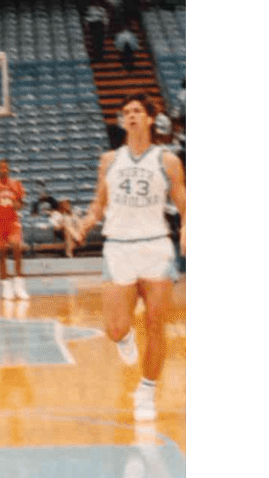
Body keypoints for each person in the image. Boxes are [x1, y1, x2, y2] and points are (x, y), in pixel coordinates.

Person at [75, 92, 187, 422]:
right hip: (119, 247)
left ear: (151, 118)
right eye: (126, 112)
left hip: (155, 246)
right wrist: (84, 223)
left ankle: (147, 391)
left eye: (137, 110)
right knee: (115, 328)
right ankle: (124, 341)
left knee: (156, 323)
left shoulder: (167, 161)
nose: (131, 115)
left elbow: (183, 200)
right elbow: (99, 204)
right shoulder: (110, 160)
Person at [0, 160, 28, 299]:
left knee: (16, 248)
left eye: (5, 168)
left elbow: (21, 205)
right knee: (2, 253)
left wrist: (13, 203)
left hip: (12, 221)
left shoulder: (16, 184)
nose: (3, 170)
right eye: (0, 168)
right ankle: (5, 286)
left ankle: (19, 285)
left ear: (8, 170)